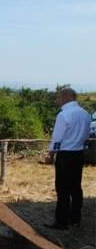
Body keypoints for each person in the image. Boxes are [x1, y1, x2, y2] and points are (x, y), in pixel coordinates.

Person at [44, 88, 91, 230]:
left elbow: (57, 139)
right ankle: (75, 218)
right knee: (76, 188)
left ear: (66, 97)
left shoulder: (64, 115)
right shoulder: (85, 114)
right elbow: (86, 136)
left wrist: (50, 155)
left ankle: (61, 221)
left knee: (62, 189)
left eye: (59, 96)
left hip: (65, 155)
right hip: (79, 154)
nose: (58, 99)